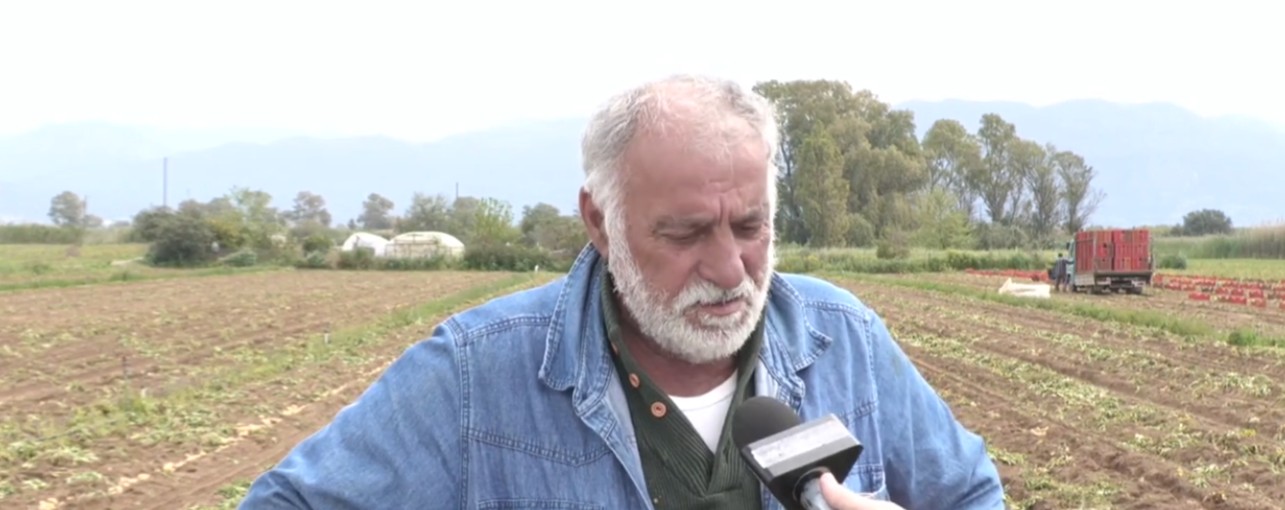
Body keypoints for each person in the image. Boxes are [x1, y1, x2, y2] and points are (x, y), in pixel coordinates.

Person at [237, 74, 1005, 509]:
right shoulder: (475, 376)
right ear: (599, 222)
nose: (729, 269)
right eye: (685, 234)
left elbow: (971, 495)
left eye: (749, 226)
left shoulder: (846, 340)